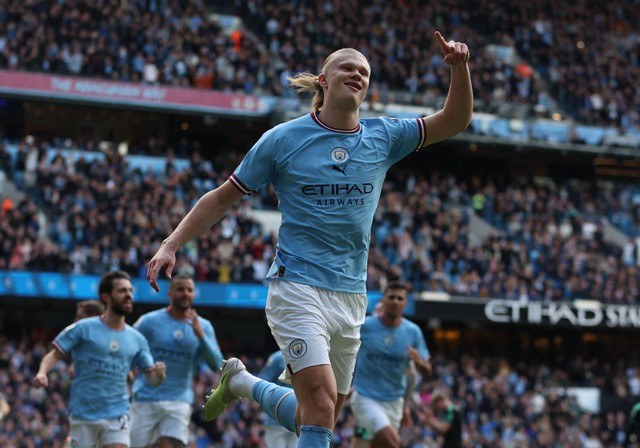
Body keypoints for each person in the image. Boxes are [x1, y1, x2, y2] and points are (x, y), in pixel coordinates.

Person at [147, 30, 472, 448]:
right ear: (323, 80)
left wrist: (459, 70)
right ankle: (244, 382)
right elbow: (222, 197)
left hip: (352, 292)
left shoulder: (385, 135)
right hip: (296, 284)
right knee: (320, 408)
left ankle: (243, 382)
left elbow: (456, 119)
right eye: (347, 67)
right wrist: (171, 243)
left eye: (364, 71)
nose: (357, 74)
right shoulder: (283, 139)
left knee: (317, 418)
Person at [33, 271, 166, 448]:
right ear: (106, 297)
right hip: (84, 414)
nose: (128, 295)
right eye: (122, 291)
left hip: (118, 414)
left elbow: (152, 378)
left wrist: (159, 376)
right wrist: (42, 373)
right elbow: (54, 354)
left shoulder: (137, 339)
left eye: (130, 290)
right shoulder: (82, 328)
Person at [130, 273, 224, 448]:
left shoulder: (203, 326)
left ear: (194, 294)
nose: (185, 293)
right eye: (180, 289)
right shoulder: (149, 321)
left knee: (171, 445)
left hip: (179, 399)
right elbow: (128, 348)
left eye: (189, 290)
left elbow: (217, 364)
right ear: (170, 293)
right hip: (145, 397)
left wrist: (201, 337)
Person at [351, 281, 432, 448]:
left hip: (394, 402)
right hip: (366, 397)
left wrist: (419, 363)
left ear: (405, 303)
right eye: (391, 297)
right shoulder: (365, 326)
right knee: (391, 441)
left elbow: (427, 372)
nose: (395, 301)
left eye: (399, 298)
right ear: (384, 300)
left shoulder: (413, 332)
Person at [258, 350, 299, 448]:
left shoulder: (308, 356)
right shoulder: (277, 358)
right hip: (276, 419)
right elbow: (262, 382)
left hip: (298, 418)